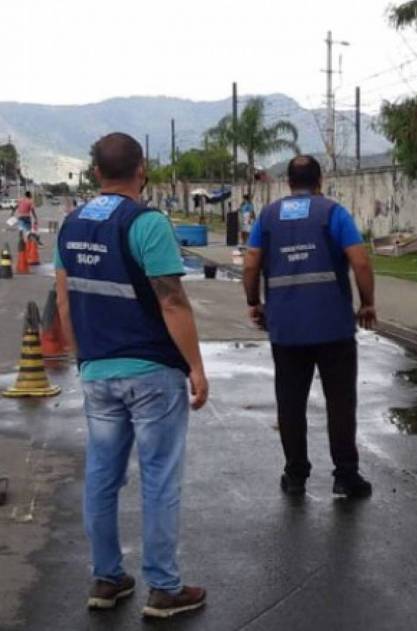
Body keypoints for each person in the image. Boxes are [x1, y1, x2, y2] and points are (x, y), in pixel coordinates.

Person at [54, 133, 208, 619]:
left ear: (95, 172)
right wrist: (196, 366)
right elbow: (171, 299)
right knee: (159, 478)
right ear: (142, 169)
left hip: (98, 370)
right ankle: (163, 587)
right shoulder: (147, 223)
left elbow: (63, 300)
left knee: (101, 475)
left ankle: (107, 578)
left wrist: (84, 356)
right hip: (151, 373)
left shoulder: (71, 224)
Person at [242, 155, 376, 499]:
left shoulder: (268, 216)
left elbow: (251, 262)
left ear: (288, 182)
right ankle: (346, 475)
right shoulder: (333, 212)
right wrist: (367, 303)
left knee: (290, 402)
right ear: (321, 180)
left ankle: (296, 474)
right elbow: (360, 260)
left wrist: (253, 302)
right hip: (333, 327)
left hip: (286, 329)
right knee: (340, 402)